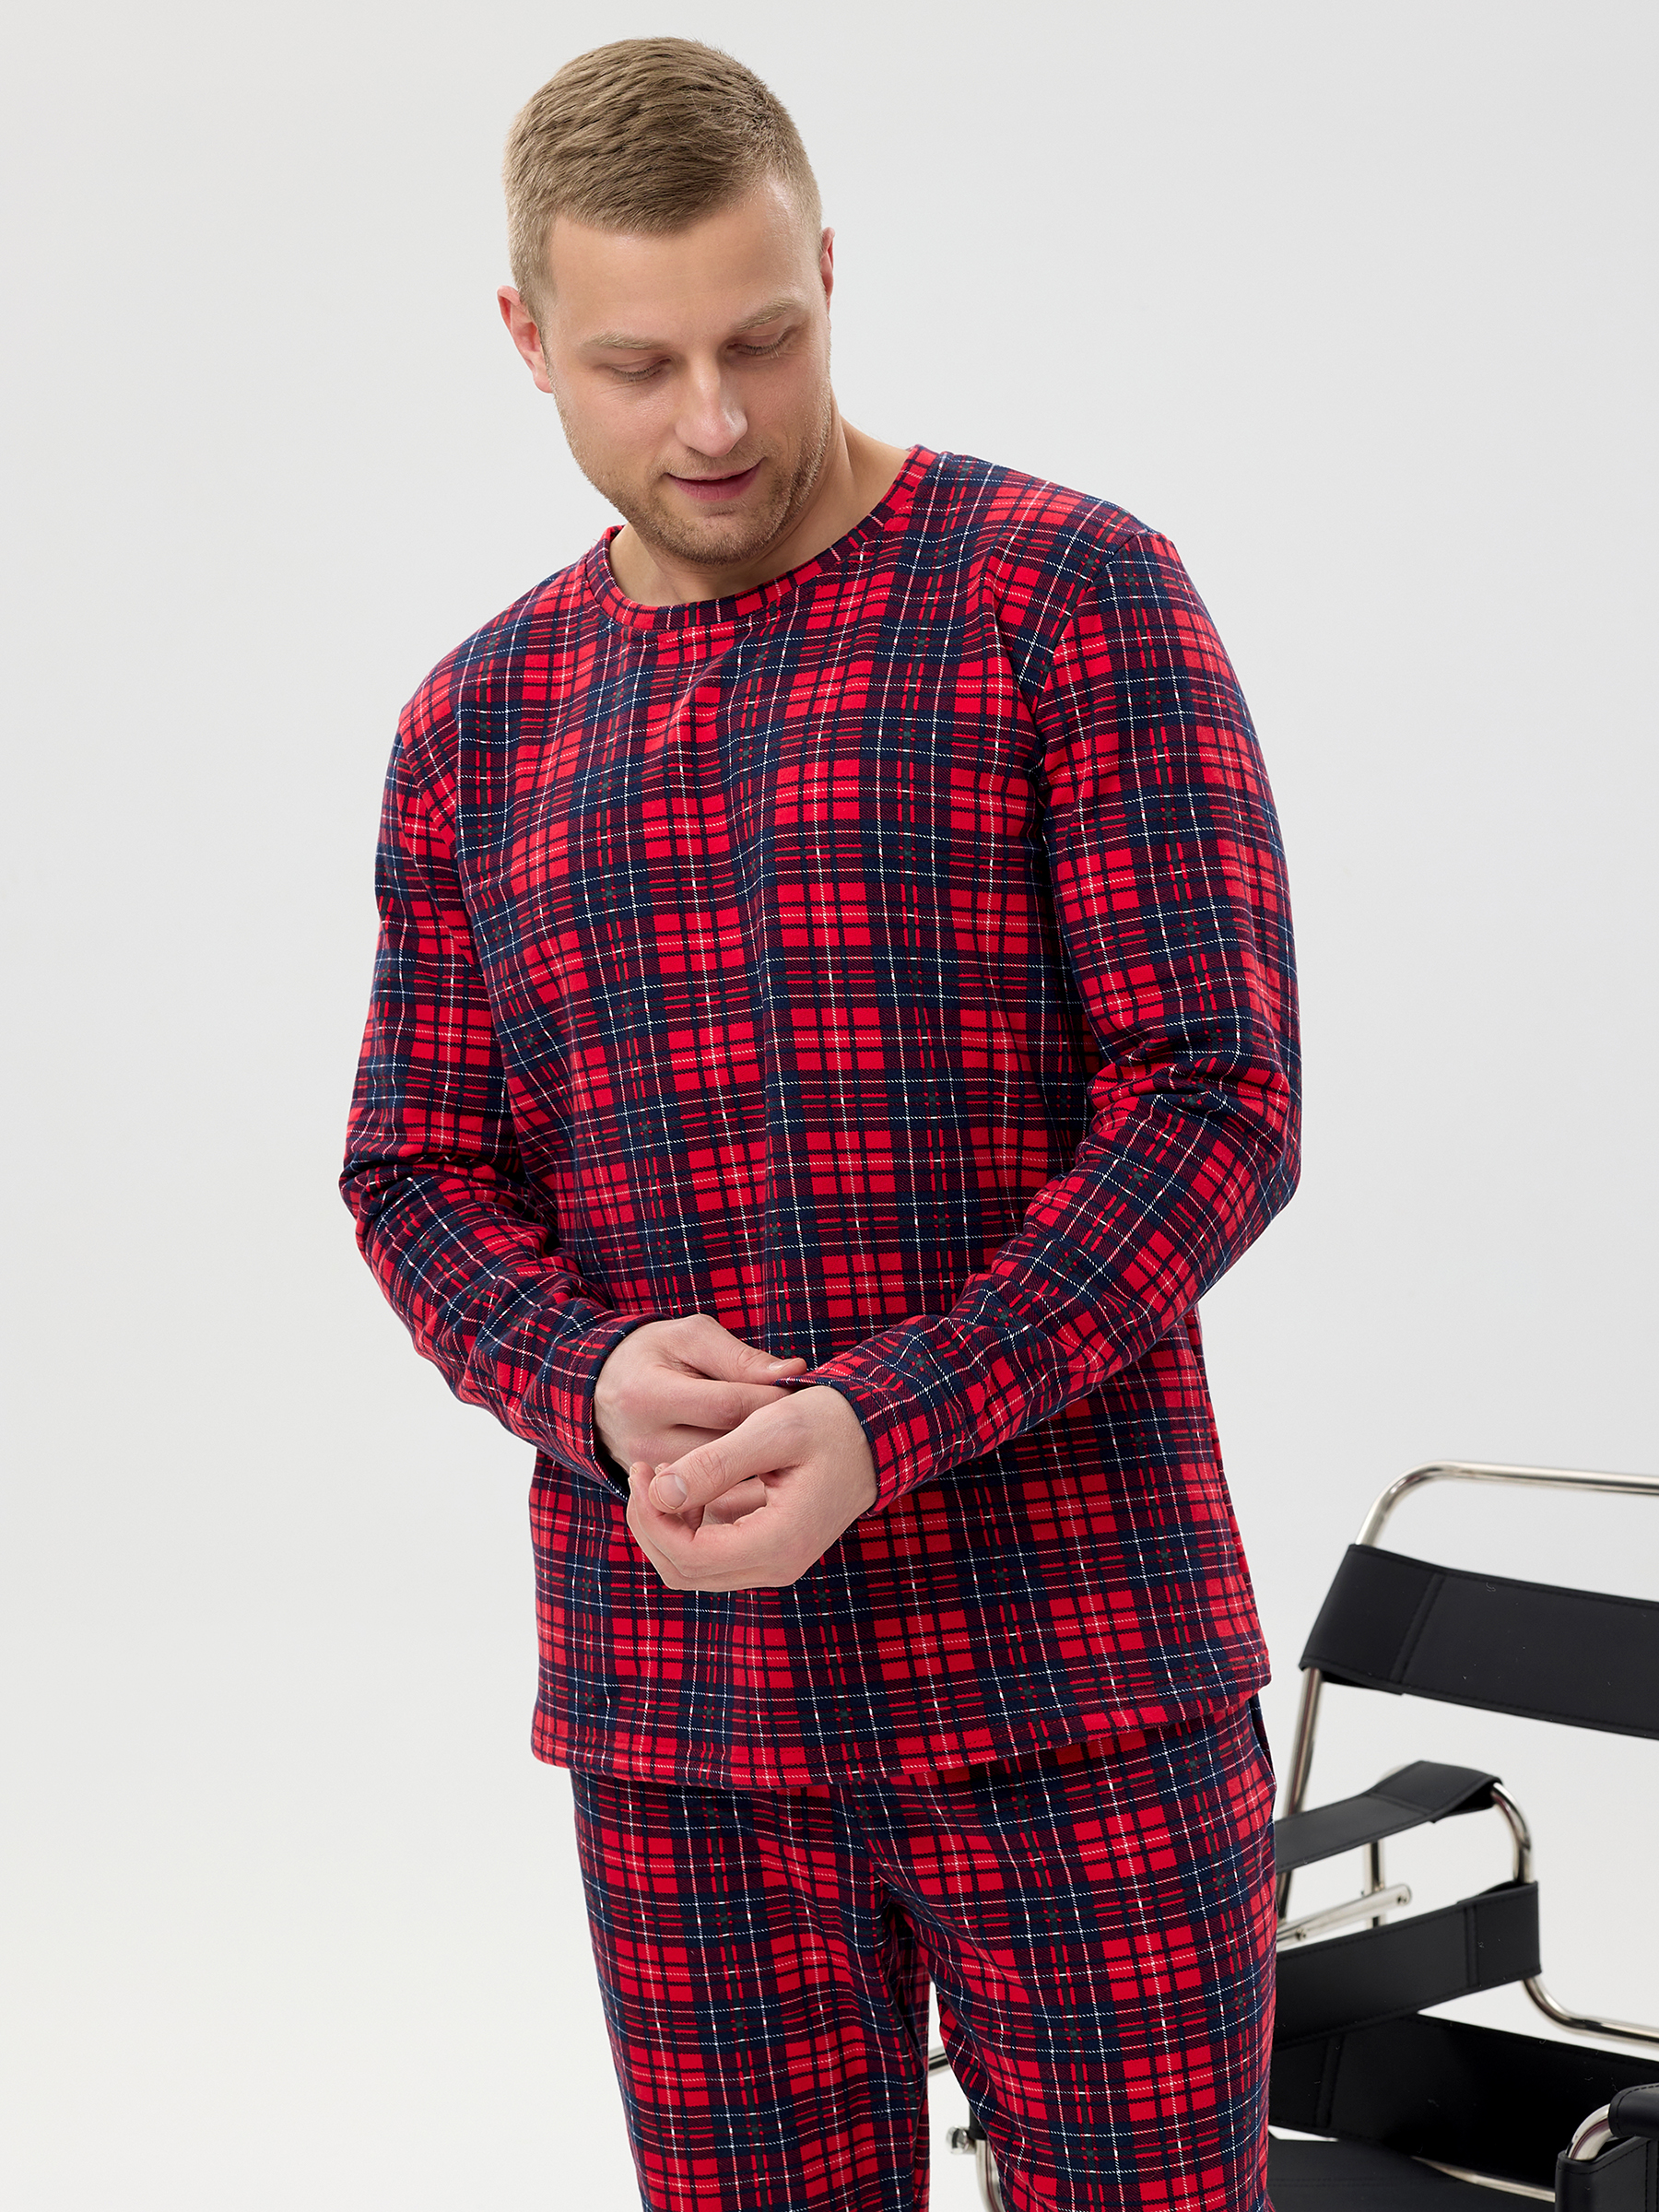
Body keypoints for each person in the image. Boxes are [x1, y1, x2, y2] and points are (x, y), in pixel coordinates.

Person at [341, 35, 1300, 2212]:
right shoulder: (473, 723)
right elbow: (417, 1169)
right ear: (526, 340)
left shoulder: (1071, 593)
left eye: (764, 340)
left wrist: (889, 1418)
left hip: (1079, 1672)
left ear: (832, 275)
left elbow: (1217, 1096)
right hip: (682, 1723)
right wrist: (583, 1375)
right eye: (641, 362)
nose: (715, 419)